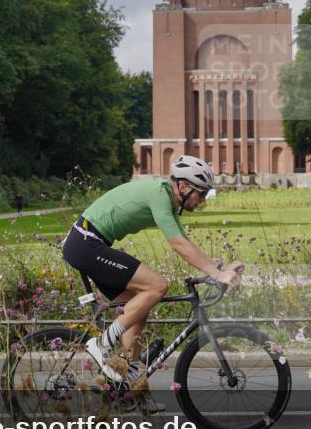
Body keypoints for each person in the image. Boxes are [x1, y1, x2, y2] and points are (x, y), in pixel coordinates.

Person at [62, 156, 242, 412]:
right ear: (183, 186)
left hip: (90, 244)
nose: (201, 200)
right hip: (85, 243)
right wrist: (215, 273)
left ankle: (131, 392)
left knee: (138, 309)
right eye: (200, 194)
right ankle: (102, 344)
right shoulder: (159, 193)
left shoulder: (168, 201)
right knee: (157, 285)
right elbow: (177, 245)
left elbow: (184, 241)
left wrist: (219, 268)